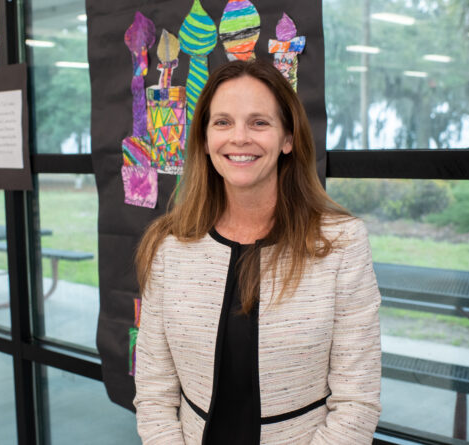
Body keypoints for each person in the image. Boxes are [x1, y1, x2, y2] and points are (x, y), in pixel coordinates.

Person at [133, 59, 381, 444]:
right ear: (204, 140)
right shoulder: (169, 246)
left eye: (259, 122)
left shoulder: (342, 244)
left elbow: (357, 402)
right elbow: (153, 393)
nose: (239, 137)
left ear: (288, 139)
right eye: (223, 122)